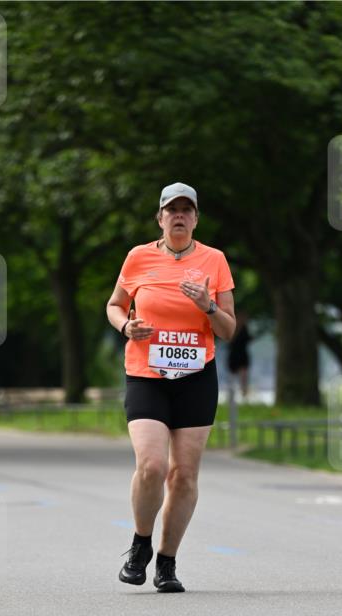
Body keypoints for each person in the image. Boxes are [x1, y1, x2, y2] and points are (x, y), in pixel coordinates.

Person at [106, 182, 236, 593]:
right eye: (171, 209)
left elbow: (228, 329)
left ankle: (166, 562)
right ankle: (141, 542)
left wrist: (208, 305)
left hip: (197, 378)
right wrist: (127, 325)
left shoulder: (214, 261)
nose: (179, 215)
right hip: (146, 374)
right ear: (160, 217)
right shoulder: (138, 257)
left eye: (187, 210)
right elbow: (114, 304)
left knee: (183, 475)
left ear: (196, 218)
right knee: (153, 466)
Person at [227, 311, 251, 399]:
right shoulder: (234, 327)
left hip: (242, 353)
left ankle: (244, 392)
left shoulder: (245, 328)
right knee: (233, 374)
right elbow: (229, 339)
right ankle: (231, 392)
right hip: (234, 354)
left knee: (244, 374)